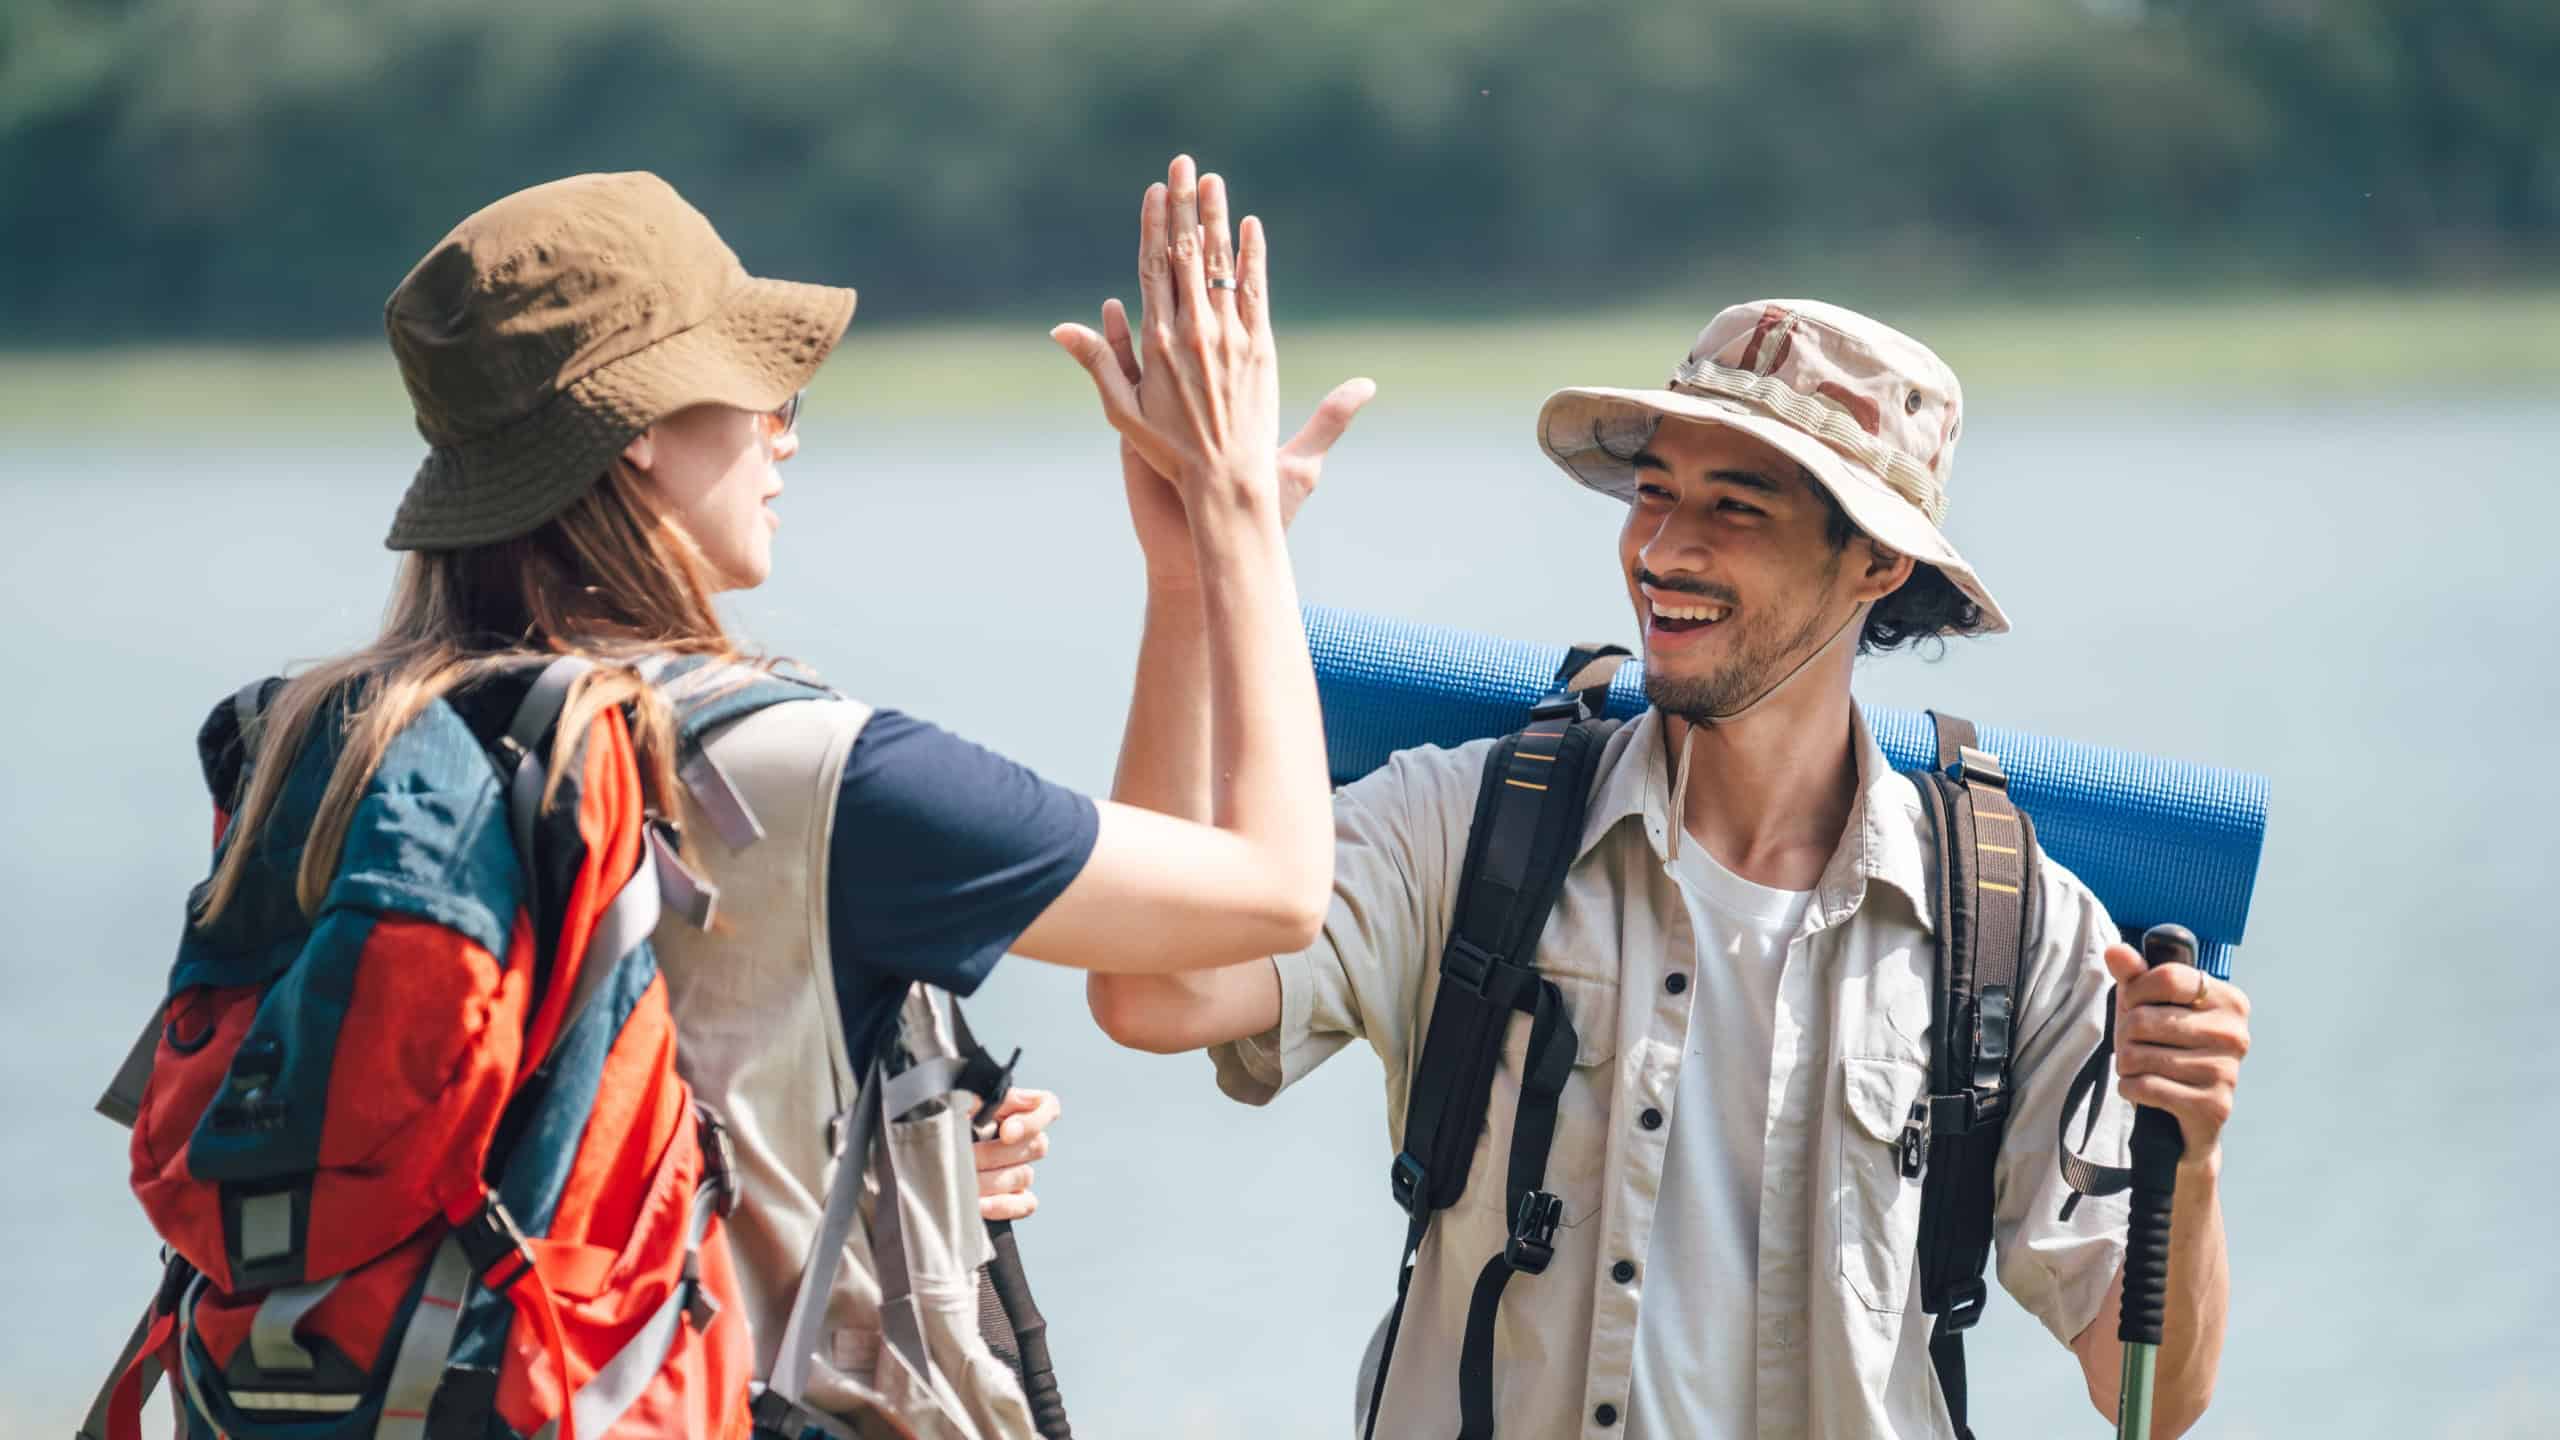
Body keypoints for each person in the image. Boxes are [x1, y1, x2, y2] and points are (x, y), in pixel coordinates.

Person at [200, 158, 1361, 1439]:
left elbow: (514, 1147)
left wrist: (904, 1172)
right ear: (635, 425)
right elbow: (1265, 890)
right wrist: (1235, 511)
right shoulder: (802, 773)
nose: (787, 434)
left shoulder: (314, 740)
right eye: (769, 392)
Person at [1081, 299, 2254, 1438]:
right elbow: (1154, 989)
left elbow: (2150, 1390)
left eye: (1736, 509)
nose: (1663, 549)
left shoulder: (2015, 923)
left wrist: (2189, 1160)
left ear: (1878, 567)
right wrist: (1191, 575)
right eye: (1654, 495)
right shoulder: (1475, 826)